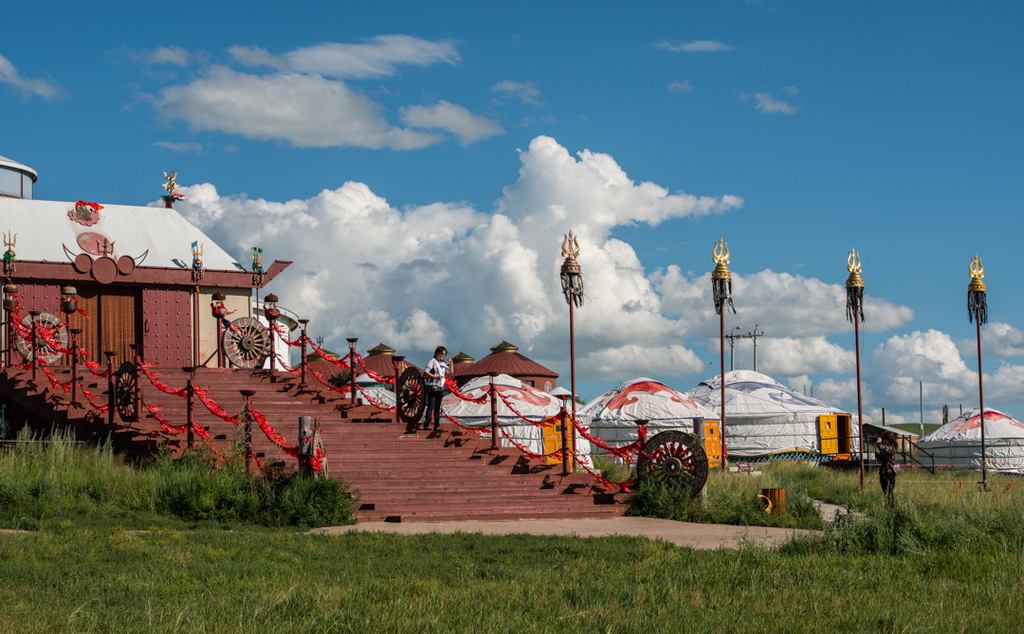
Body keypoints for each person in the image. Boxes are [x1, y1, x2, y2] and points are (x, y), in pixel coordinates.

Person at [421, 345, 450, 433]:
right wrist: (435, 376)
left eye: (444, 355)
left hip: (440, 388)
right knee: (431, 405)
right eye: (442, 354)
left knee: (437, 408)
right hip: (432, 387)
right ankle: (426, 423)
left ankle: (436, 426)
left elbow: (450, 373)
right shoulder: (432, 361)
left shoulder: (443, 364)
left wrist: (451, 365)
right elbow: (425, 372)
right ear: (437, 353)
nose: (443, 356)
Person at [875, 432, 898, 506]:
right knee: (885, 491)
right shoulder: (884, 448)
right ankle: (886, 506)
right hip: (883, 472)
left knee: (890, 491)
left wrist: (879, 444)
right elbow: (880, 459)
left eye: (884, 439)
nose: (883, 440)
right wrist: (877, 452)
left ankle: (891, 506)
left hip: (890, 472)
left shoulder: (892, 447)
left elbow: (886, 449)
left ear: (888, 440)